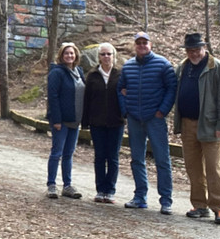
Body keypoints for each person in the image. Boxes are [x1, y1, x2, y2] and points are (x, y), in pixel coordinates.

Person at [173, 32, 220, 225]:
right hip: (187, 124)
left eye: (197, 49)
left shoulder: (217, 68)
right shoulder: (183, 68)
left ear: (204, 48)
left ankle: (219, 207)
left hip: (210, 125)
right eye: (190, 50)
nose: (194, 53)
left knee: (213, 167)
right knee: (193, 167)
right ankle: (199, 205)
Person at [117, 31, 178, 213]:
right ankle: (140, 197)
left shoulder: (163, 64)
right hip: (135, 118)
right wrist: (125, 110)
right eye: (139, 43)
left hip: (155, 119)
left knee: (162, 159)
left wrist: (162, 111)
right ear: (135, 45)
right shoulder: (128, 66)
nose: (142, 45)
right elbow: (120, 89)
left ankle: (166, 200)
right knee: (137, 159)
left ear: (150, 44)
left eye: (145, 42)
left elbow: (171, 88)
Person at [82, 42, 124, 203]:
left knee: (113, 157)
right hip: (97, 122)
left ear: (114, 56)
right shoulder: (92, 76)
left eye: (109, 54)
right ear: (98, 57)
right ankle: (100, 190)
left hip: (116, 122)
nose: (106, 57)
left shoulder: (120, 74)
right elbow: (87, 100)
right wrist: (85, 122)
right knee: (100, 157)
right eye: (103, 54)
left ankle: (110, 190)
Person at [45, 41, 85, 200]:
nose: (69, 55)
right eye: (66, 53)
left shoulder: (79, 72)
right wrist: (56, 119)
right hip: (61, 121)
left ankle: (67, 185)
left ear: (76, 55)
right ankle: (51, 185)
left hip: (75, 120)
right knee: (57, 153)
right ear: (61, 55)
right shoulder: (57, 72)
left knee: (69, 154)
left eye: (72, 53)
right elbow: (53, 97)